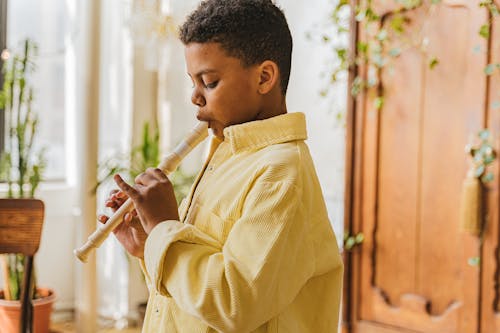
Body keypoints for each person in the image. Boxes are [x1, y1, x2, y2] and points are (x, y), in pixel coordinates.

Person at [99, 0, 343, 332]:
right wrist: (150, 245)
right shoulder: (226, 155)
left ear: (265, 77)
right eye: (193, 82)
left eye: (210, 82)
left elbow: (234, 304)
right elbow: (201, 282)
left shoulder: (281, 174)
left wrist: (164, 227)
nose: (195, 97)